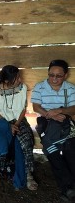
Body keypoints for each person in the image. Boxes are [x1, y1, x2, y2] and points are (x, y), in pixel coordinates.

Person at [0, 65, 37, 191]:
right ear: (7, 81)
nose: (19, 79)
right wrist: (7, 125)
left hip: (18, 120)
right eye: (16, 78)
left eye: (19, 76)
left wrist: (16, 125)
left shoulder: (22, 88)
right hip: (0, 120)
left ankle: (28, 173)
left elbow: (23, 109)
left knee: (25, 141)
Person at [31, 59, 75, 201]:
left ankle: (69, 188)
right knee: (53, 154)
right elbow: (36, 107)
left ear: (65, 75)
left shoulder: (70, 88)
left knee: (71, 153)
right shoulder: (40, 87)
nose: (54, 79)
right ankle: (67, 188)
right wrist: (51, 115)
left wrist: (60, 110)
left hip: (66, 124)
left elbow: (74, 108)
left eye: (59, 76)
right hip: (46, 125)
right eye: (51, 75)